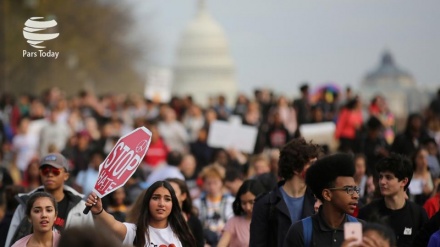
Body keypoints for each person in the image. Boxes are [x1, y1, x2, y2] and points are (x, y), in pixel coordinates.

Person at [5, 153, 94, 247]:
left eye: (55, 171)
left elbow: (92, 240)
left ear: (66, 175)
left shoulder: (81, 207)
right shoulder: (25, 205)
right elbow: (11, 240)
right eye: (45, 171)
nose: (50, 174)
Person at [250, 137, 321, 247]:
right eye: (311, 164)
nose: (317, 168)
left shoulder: (319, 201)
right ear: (296, 168)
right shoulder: (265, 204)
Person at [86, 180, 195, 247]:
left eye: (167, 199)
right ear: (147, 201)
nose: (161, 203)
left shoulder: (180, 234)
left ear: (173, 204)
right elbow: (114, 224)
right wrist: (100, 211)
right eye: (156, 198)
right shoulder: (134, 232)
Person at [283, 153, 361, 247]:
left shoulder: (361, 229)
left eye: (356, 189)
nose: (356, 195)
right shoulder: (301, 231)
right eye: (349, 190)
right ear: (327, 194)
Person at [357, 153, 428, 247]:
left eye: (388, 177)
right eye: (381, 177)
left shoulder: (418, 214)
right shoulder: (367, 213)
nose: (382, 182)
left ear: (404, 181)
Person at [193, 164, 235, 246]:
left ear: (222, 182)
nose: (212, 186)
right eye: (209, 183)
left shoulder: (231, 202)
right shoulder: (197, 203)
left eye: (215, 183)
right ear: (204, 183)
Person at [218, 179, 265, 247]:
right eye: (243, 203)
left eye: (251, 202)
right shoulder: (233, 222)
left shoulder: (270, 221)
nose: (247, 207)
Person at [166, 178, 204, 247]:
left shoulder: (194, 221)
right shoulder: (155, 220)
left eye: (173, 192)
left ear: (183, 196)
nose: (168, 195)